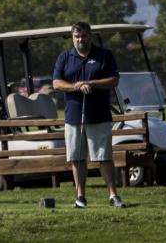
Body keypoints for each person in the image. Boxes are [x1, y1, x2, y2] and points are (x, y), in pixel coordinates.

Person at [52, 21, 125, 209]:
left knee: (104, 157)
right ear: (72, 38)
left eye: (83, 36)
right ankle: (80, 197)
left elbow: (114, 80)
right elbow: (57, 83)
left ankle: (113, 196)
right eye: (76, 37)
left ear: (90, 36)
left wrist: (91, 83)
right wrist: (76, 86)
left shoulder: (104, 55)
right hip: (73, 116)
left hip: (99, 114)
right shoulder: (65, 57)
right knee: (77, 158)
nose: (80, 40)